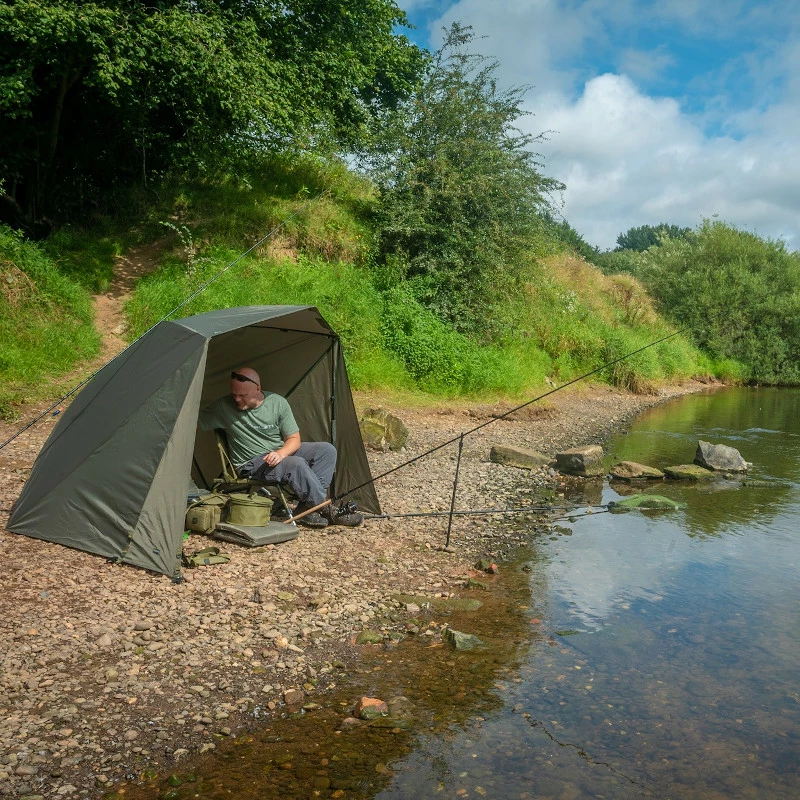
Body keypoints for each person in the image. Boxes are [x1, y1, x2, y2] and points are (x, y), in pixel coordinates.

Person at [198, 367, 362, 528]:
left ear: (258, 389)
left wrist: (281, 453)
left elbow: (294, 439)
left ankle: (306, 509)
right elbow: (192, 416)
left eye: (243, 395)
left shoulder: (277, 403)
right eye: (234, 394)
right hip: (252, 463)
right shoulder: (223, 407)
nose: (237, 399)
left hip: (278, 452)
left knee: (326, 451)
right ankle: (328, 510)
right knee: (295, 463)